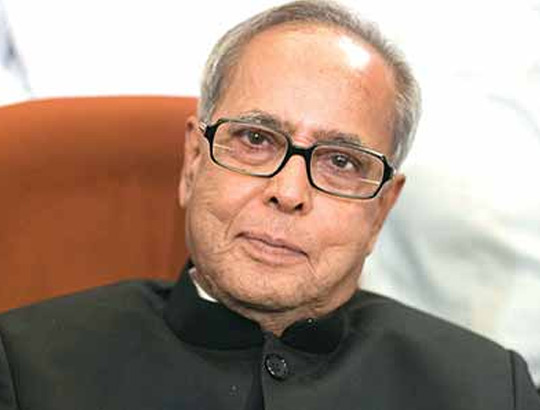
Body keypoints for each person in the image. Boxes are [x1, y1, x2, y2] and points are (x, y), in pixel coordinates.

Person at [0, 1, 538, 409]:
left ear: (381, 210)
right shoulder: (25, 366)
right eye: (256, 140)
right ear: (192, 162)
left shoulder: (490, 389)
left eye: (341, 161)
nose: (289, 192)